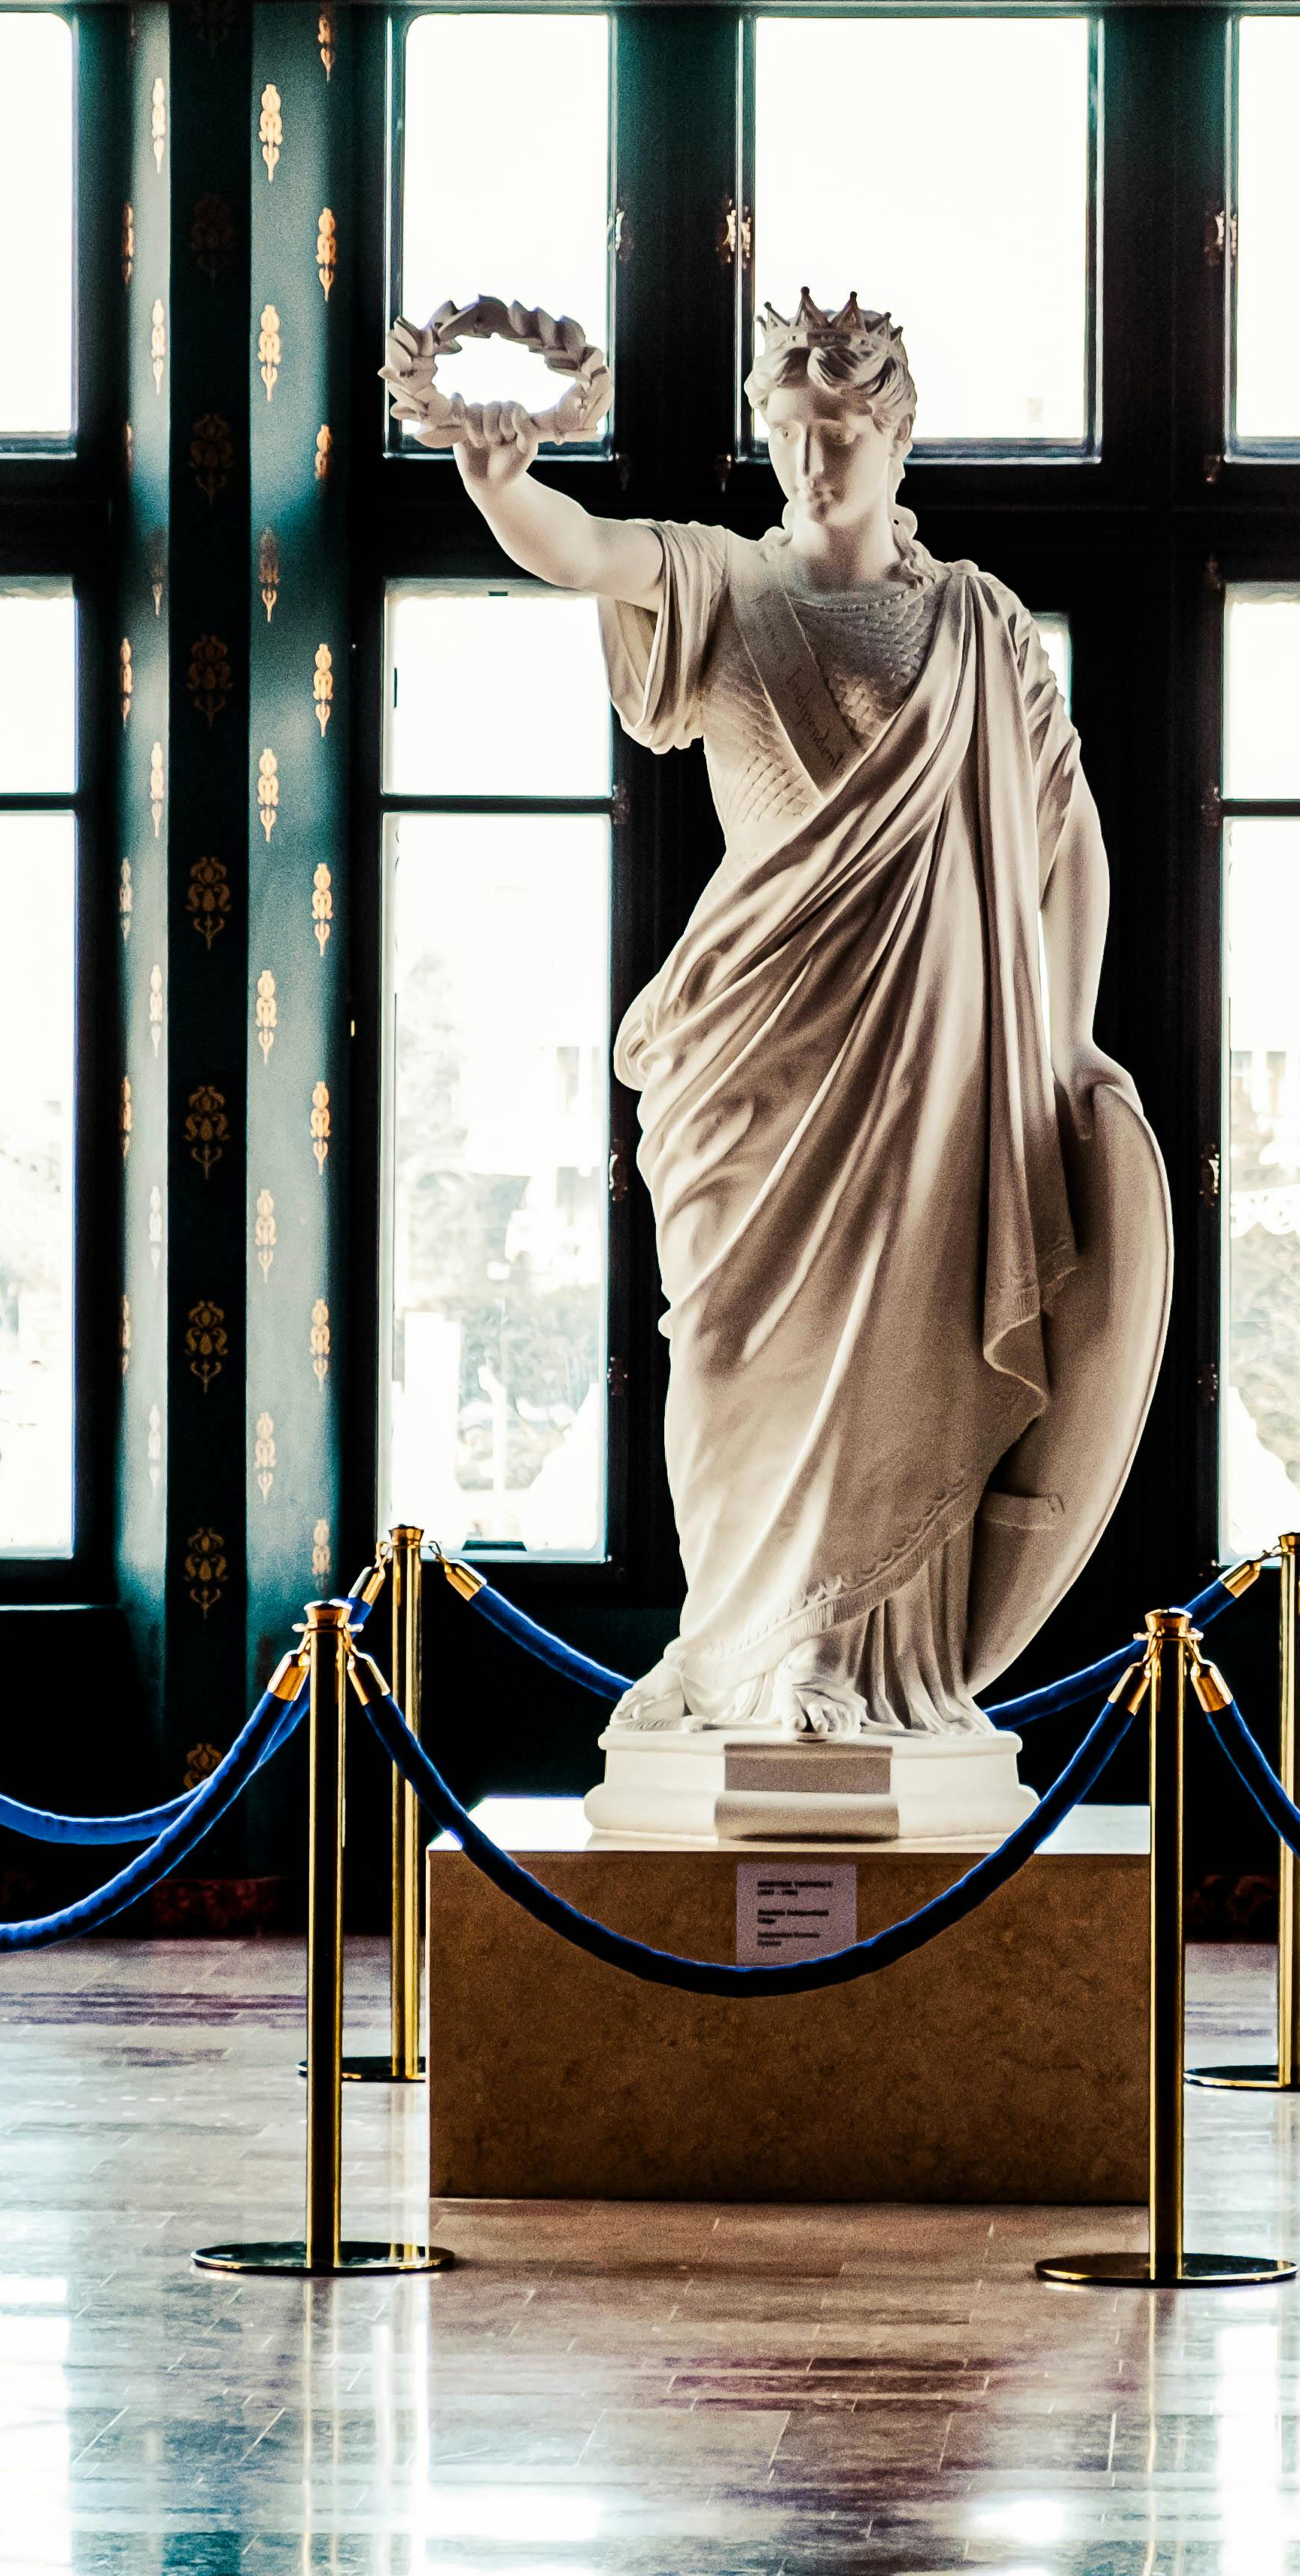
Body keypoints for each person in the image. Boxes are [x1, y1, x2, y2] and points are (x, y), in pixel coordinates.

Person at [396, 290, 1163, 1739]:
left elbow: (1073, 849)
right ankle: (733, 1641)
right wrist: (503, 484)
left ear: (899, 436)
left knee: (901, 1352)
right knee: (734, 1351)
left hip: (932, 1073)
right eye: (795, 435)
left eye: (847, 434)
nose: (818, 464)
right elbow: (587, 553)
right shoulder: (724, 589)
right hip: (755, 1058)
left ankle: (859, 1662)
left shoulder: (982, 632)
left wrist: (1059, 1048)